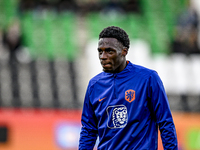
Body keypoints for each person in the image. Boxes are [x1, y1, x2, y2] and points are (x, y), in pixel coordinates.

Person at [79, 26, 178, 149]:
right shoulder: (94, 85)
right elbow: (88, 130)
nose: (103, 56)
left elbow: (165, 122)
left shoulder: (148, 79)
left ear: (124, 51)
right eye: (100, 51)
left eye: (109, 51)